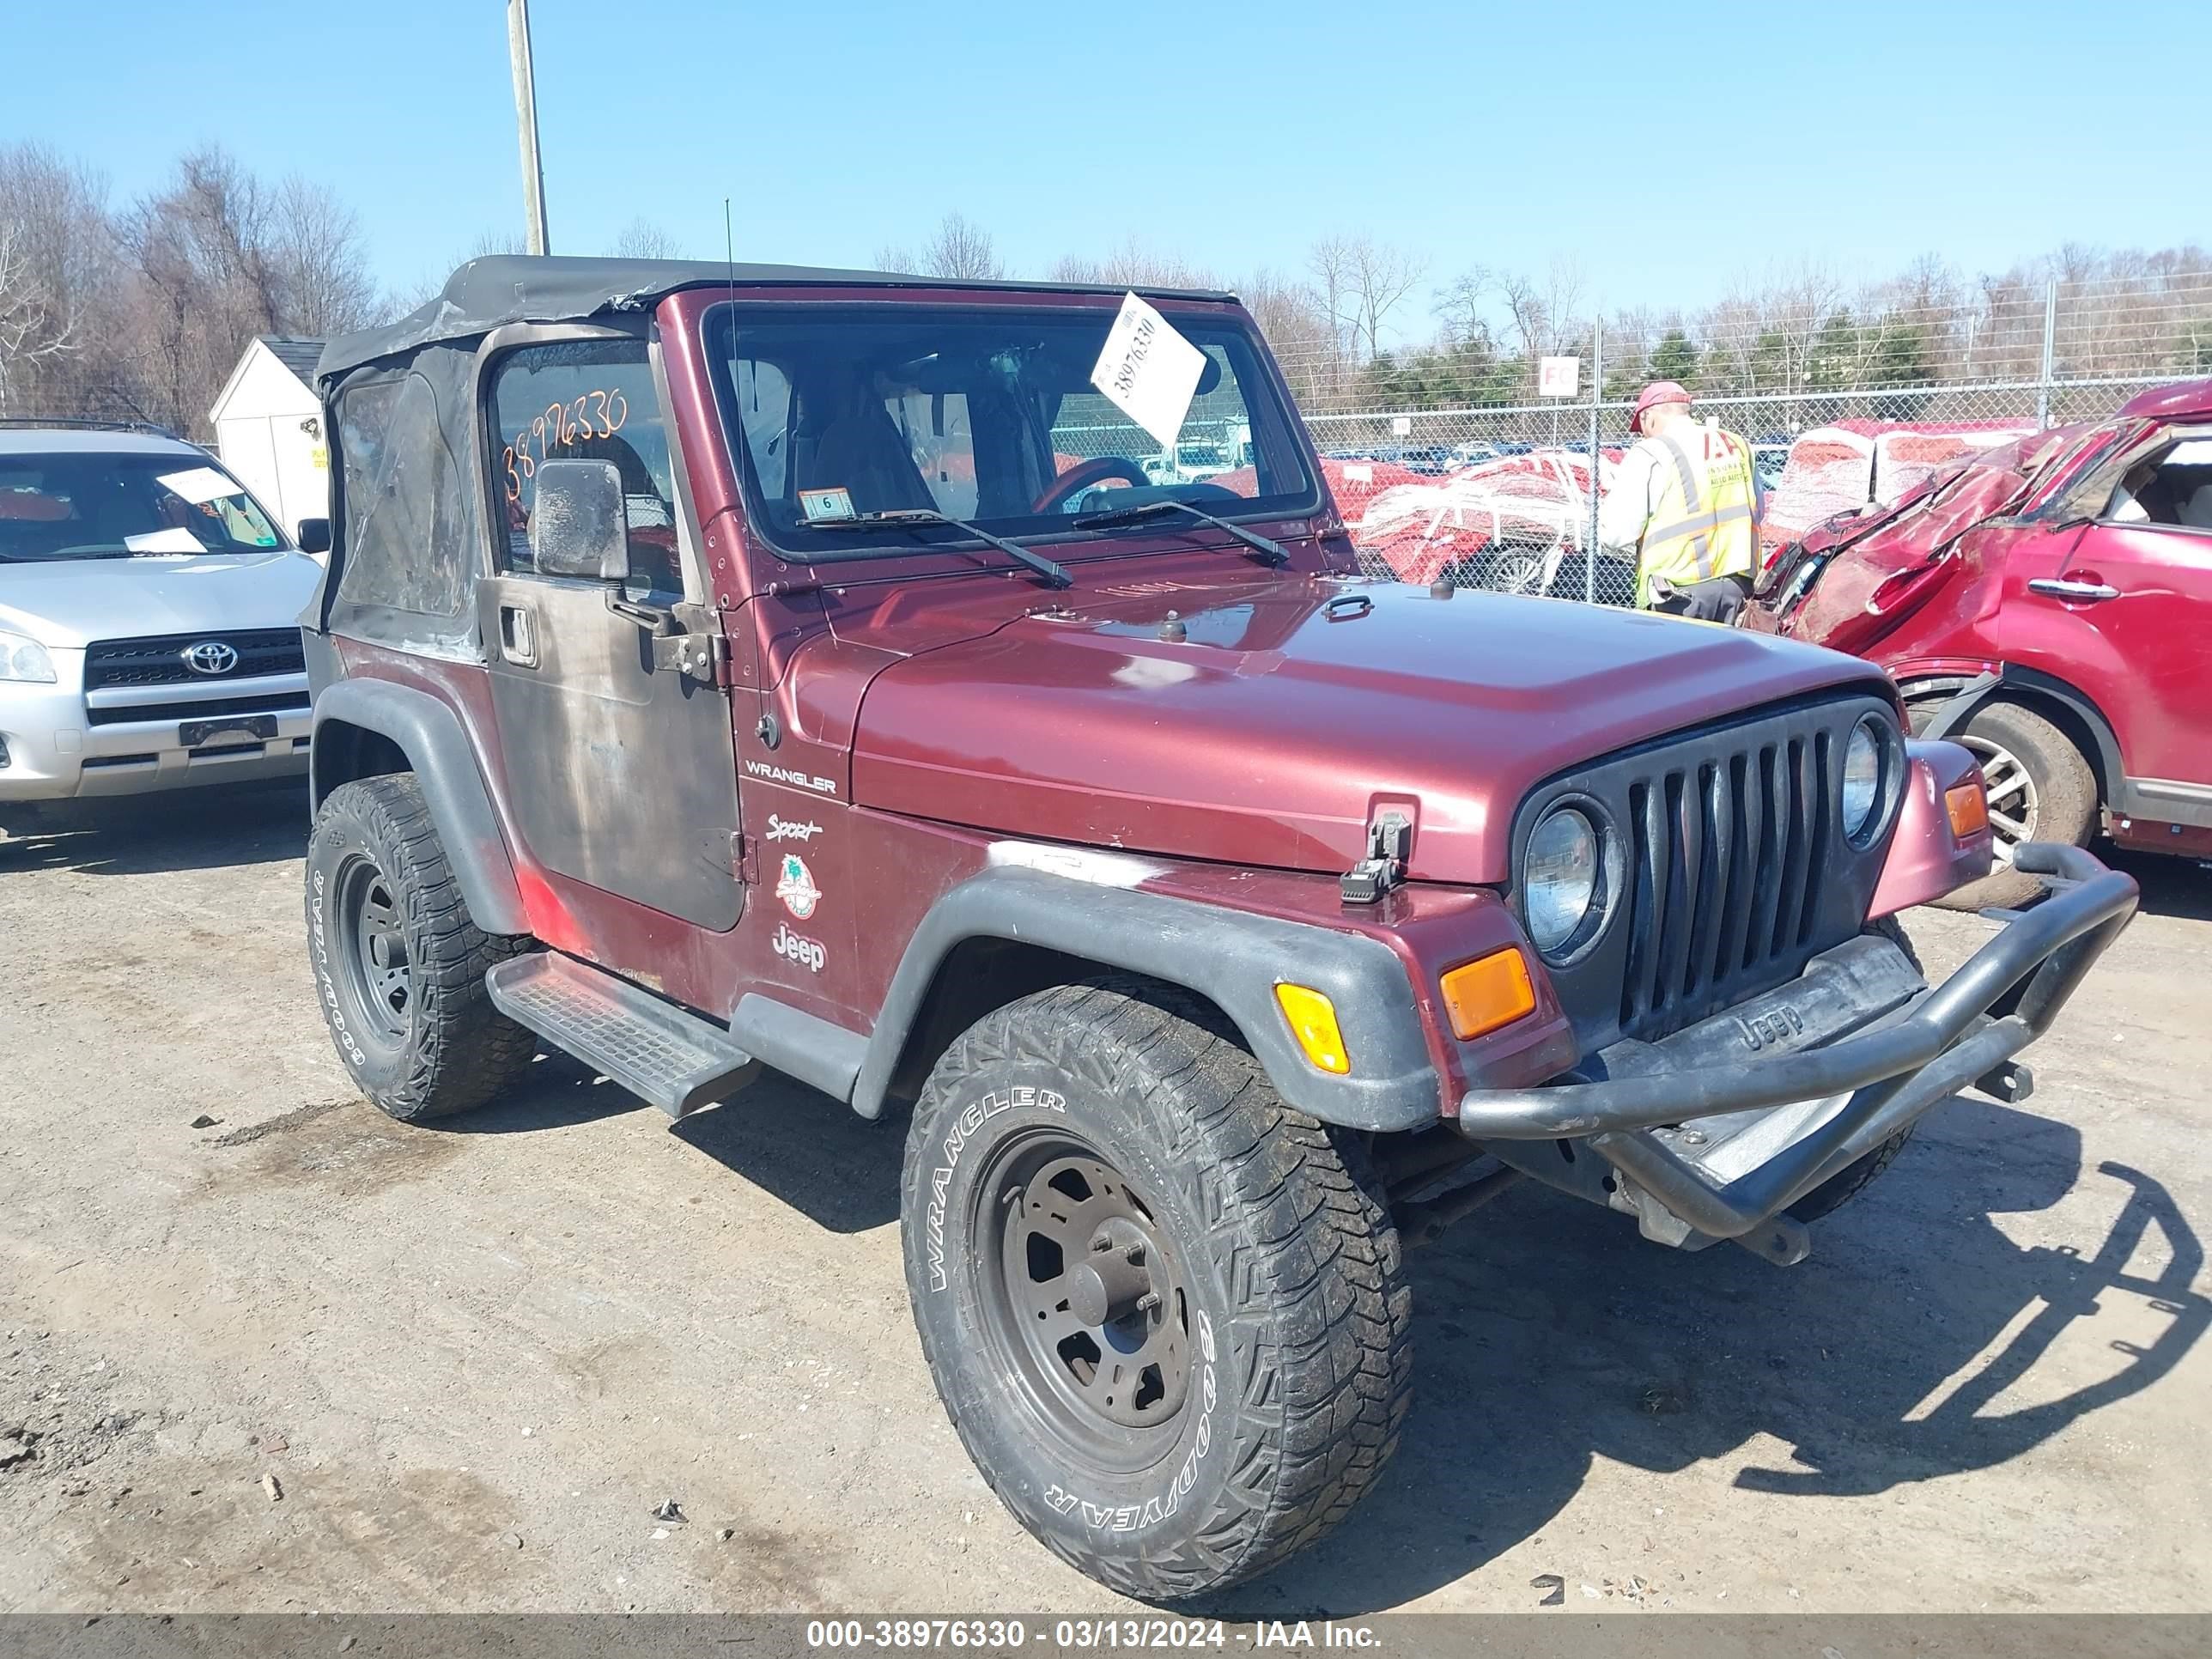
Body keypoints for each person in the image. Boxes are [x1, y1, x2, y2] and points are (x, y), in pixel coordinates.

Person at [1597, 380, 1760, 622]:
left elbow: (1616, 533)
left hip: (1678, 594)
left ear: (1648, 417)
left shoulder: (1652, 452)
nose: (1643, 434)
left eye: (1641, 426)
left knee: (1677, 661)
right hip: (1739, 589)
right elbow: (1758, 511)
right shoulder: (1739, 445)